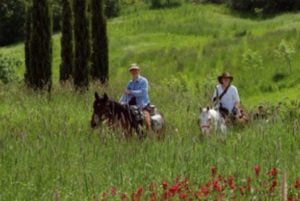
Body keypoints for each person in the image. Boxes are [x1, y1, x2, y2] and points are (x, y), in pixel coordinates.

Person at [120, 64, 151, 129]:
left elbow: (143, 92)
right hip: (131, 104)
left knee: (146, 119)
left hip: (142, 104)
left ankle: (149, 132)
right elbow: (126, 94)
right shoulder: (130, 83)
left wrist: (131, 92)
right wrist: (121, 102)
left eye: (135, 70)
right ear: (130, 72)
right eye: (132, 70)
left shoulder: (144, 81)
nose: (134, 72)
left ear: (138, 71)